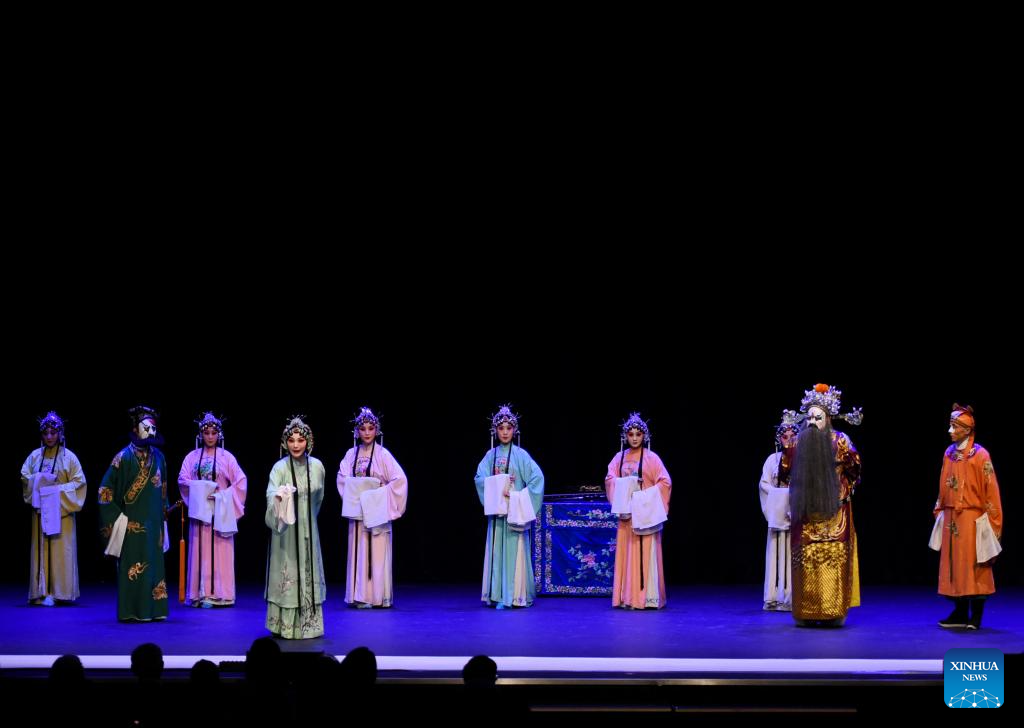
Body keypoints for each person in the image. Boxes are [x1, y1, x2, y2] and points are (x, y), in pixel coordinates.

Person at [780, 384, 862, 627]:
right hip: (806, 514)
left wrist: (845, 469)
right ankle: (806, 612)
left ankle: (833, 613)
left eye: (819, 417)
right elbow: (784, 474)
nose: (814, 422)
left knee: (833, 559)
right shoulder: (796, 443)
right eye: (811, 418)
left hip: (835, 513)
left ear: (828, 419)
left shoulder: (841, 442)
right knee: (806, 560)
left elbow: (855, 469)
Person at [98, 406, 170, 622]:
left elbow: (164, 490)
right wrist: (118, 520)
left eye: (153, 428)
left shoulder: (160, 457)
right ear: (134, 429)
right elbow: (104, 492)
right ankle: (131, 611)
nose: (150, 432)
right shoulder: (123, 458)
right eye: (145, 427)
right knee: (133, 568)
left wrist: (164, 515)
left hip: (154, 523)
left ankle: (155, 610)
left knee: (154, 566)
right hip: (131, 525)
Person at [934, 404, 1003, 630]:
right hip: (953, 516)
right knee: (954, 565)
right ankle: (960, 611)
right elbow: (943, 484)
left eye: (954, 426)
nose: (950, 431)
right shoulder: (949, 453)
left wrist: (993, 523)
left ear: (966, 429)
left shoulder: (980, 455)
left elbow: (991, 490)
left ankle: (976, 615)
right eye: (951, 426)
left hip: (973, 518)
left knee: (975, 565)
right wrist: (941, 510)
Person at [474, 405, 544, 608]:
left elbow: (537, 479)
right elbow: (479, 478)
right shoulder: (490, 455)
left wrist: (516, 495)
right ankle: (497, 595)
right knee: (497, 551)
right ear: (495, 431)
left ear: (515, 430)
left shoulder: (521, 455)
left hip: (514, 513)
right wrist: (495, 485)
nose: (505, 431)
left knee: (516, 551)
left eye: (508, 427)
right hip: (497, 515)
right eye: (501, 428)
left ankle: (515, 595)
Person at [337, 407, 408, 608]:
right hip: (359, 512)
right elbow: (342, 478)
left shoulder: (383, 454)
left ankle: (378, 596)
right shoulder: (351, 454)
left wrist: (379, 492)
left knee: (376, 552)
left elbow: (400, 480)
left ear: (377, 430)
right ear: (357, 431)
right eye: (363, 428)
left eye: (370, 428)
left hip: (377, 512)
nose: (367, 432)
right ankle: (359, 595)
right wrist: (357, 492)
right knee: (359, 550)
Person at [177, 412, 248, 607]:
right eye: (206, 432)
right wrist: (200, 490)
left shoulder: (227, 457)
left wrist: (221, 496)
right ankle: (199, 593)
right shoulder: (191, 457)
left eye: (213, 433)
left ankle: (221, 593)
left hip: (219, 512)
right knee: (199, 549)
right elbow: (183, 480)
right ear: (201, 434)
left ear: (219, 435)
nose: (210, 436)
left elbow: (241, 482)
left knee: (220, 550)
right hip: (200, 514)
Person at [264, 416, 326, 638]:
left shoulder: (317, 466)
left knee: (308, 571)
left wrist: (308, 517)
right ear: (285, 443)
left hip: (309, 528)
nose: (296, 444)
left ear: (308, 441)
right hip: (286, 533)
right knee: (287, 572)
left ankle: (309, 624)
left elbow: (318, 497)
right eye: (291, 440)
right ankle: (284, 625)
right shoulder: (279, 468)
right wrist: (280, 498)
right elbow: (270, 495)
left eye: (301, 440)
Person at [604, 413, 672, 609]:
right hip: (628, 516)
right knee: (627, 554)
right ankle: (628, 597)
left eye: (638, 434)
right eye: (631, 434)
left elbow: (665, 482)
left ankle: (648, 597)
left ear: (645, 436)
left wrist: (644, 493)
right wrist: (624, 485)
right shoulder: (619, 458)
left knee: (646, 554)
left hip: (646, 514)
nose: (634, 438)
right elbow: (609, 480)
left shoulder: (652, 458)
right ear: (625, 436)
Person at [21, 411, 87, 605]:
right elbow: (25, 476)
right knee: (41, 548)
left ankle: (61, 593)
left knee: (60, 549)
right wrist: (38, 481)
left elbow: (80, 483)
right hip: (41, 512)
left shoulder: (70, 458)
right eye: (46, 433)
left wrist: (56, 490)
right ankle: (41, 592)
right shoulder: (34, 457)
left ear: (60, 434)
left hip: (61, 513)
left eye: (53, 432)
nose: (49, 437)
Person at [758, 410, 800, 611]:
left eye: (793, 437)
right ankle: (774, 596)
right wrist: (779, 494)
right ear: (779, 438)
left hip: (794, 510)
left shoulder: (801, 460)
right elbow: (764, 484)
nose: (789, 440)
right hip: (778, 508)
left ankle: (794, 596)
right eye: (785, 437)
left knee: (794, 551)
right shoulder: (771, 460)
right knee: (776, 549)